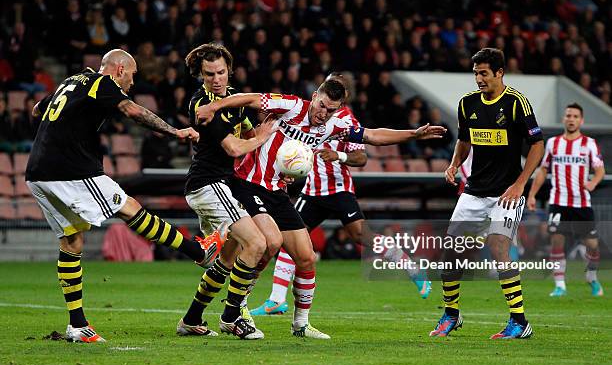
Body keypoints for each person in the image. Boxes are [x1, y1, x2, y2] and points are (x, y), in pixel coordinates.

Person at [197, 79, 446, 339]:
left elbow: (372, 135)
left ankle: (301, 325)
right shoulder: (291, 105)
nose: (323, 114)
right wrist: (215, 107)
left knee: (305, 257)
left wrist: (413, 134)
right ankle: (240, 307)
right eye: (322, 106)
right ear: (314, 96)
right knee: (270, 243)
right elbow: (250, 97)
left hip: (279, 191)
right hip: (248, 183)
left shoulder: (334, 125)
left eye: (331, 110)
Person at [25, 49, 227, 343]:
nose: (132, 84)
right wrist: (175, 132)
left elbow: (37, 111)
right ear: (119, 69)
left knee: (72, 240)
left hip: (37, 172)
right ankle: (198, 252)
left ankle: (78, 325)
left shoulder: (72, 81)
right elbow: (133, 111)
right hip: (70, 168)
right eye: (132, 76)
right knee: (129, 207)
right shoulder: (102, 82)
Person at [249, 73, 432, 317]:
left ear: (342, 99)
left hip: (338, 189)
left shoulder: (345, 121)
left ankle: (411, 268)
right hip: (312, 189)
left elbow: (362, 156)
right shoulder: (306, 113)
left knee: (361, 235)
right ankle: (276, 299)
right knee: (288, 238)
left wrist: (339, 156)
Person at [430, 48, 544, 339]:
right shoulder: (467, 104)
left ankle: (519, 322)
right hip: (474, 192)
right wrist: (455, 163)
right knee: (450, 253)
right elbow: (464, 141)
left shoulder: (517, 103)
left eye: (484, 73)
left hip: (506, 193)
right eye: (476, 73)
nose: (478, 79)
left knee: (497, 247)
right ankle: (451, 315)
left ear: (499, 73)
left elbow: (537, 145)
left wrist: (520, 184)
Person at [176, 43, 276, 340]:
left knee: (229, 258)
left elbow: (247, 134)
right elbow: (235, 147)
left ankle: (191, 319)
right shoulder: (200, 104)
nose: (216, 79)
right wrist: (263, 137)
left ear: (228, 70)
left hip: (223, 184)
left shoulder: (235, 100)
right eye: (209, 74)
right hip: (207, 184)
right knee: (256, 244)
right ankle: (232, 317)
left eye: (220, 72)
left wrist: (263, 139)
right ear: (200, 75)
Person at [527, 103, 605, 297]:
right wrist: (532, 194)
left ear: (581, 120)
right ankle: (560, 284)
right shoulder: (553, 143)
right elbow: (543, 169)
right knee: (557, 241)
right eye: (568, 115)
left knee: (593, 245)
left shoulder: (589, 143)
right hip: (558, 202)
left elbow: (600, 169)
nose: (571, 119)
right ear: (564, 119)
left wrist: (593, 182)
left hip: (581, 203)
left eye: (575, 116)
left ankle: (592, 277)